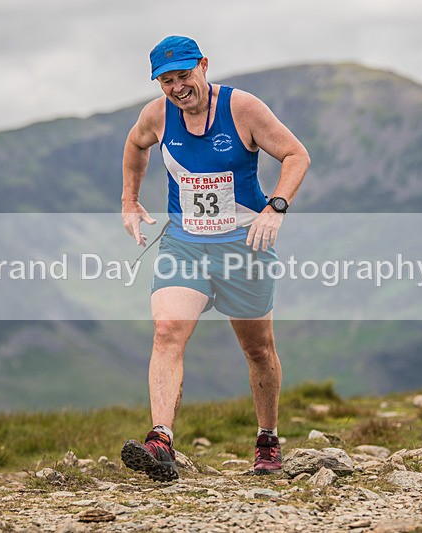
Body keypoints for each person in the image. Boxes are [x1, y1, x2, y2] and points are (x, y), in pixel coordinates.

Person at [119, 35, 310, 482]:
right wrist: (129, 199)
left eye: (184, 76)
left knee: (258, 349)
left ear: (204, 65)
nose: (177, 88)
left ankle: (267, 438)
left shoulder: (242, 109)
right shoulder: (156, 115)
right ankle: (161, 441)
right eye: (166, 81)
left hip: (245, 246)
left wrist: (275, 208)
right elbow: (135, 145)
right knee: (167, 331)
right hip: (184, 243)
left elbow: (296, 155)